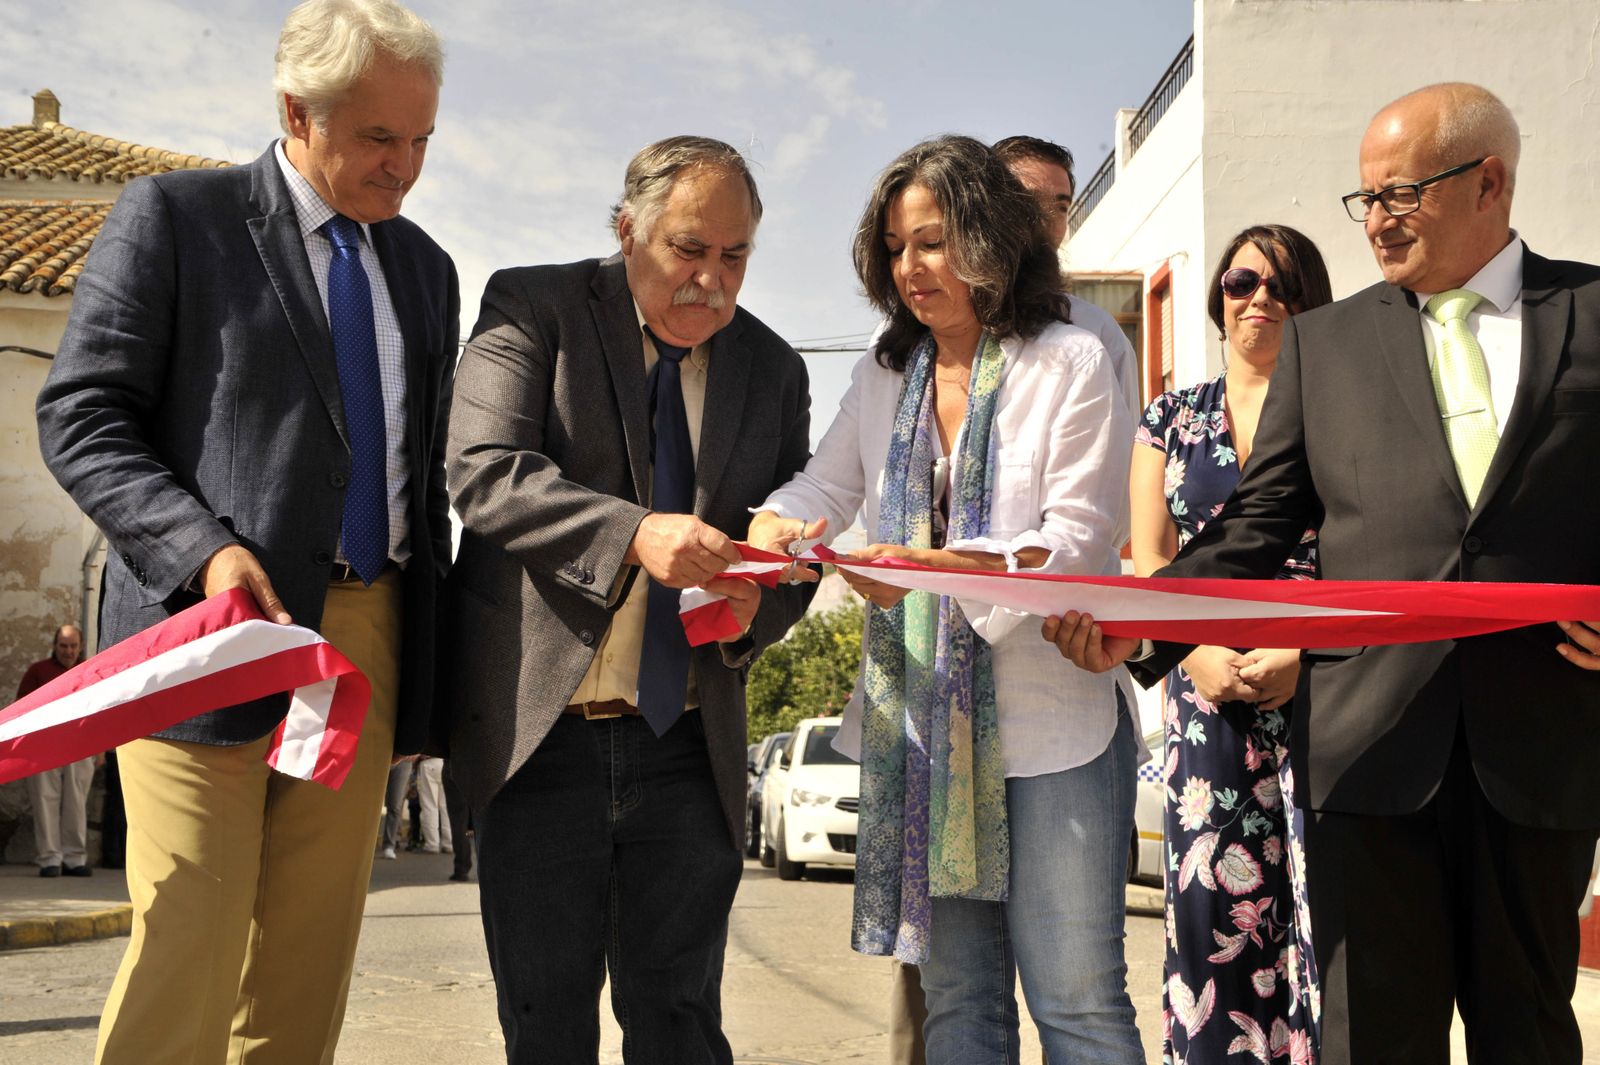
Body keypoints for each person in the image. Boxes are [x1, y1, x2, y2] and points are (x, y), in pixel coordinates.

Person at [1047, 82, 1600, 1065]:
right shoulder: (1326, 346)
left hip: (1541, 748)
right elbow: (1254, 526)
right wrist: (1145, 621)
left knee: (1531, 1036)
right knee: (1369, 1043)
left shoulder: (1593, 314)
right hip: (1369, 755)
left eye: (1399, 195)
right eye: (1365, 200)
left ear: (1489, 183)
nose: (1375, 223)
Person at [33, 2, 457, 1061]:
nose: (402, 168)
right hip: (204, 634)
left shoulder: (426, 270)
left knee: (306, 961)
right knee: (193, 935)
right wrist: (200, 549)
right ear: (295, 112)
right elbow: (81, 415)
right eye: (376, 138)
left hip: (361, 643)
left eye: (421, 141)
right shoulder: (177, 219)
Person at [750, 135, 1141, 1065]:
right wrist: (773, 524)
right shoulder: (886, 371)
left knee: (1076, 997)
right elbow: (821, 489)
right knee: (961, 1003)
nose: (910, 268)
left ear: (991, 238)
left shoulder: (1075, 355)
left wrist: (925, 566)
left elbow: (1077, 535)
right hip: (927, 724)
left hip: (1056, 725)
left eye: (932, 242)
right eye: (895, 247)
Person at [443, 135, 813, 1063]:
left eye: (735, 257)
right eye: (689, 249)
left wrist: (757, 602)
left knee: (682, 1023)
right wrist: (634, 534)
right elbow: (483, 472)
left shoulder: (773, 370)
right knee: (545, 1024)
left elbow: (788, 534)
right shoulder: (534, 306)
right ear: (626, 232)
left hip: (686, 744)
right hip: (542, 739)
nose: (712, 280)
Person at [1132, 225, 1331, 1063]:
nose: (1258, 298)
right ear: (1217, 296)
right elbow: (1147, 557)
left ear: (1312, 304)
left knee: (1327, 925)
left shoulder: (1344, 409)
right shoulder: (1170, 416)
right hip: (1204, 697)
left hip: (1329, 689)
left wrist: (1307, 654)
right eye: (1241, 280)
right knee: (1215, 925)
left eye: (1281, 285)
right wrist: (1194, 650)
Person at [993, 134, 1139, 420]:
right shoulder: (935, 326)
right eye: (1029, 201)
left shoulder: (1097, 334)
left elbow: (1126, 454)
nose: (1046, 220)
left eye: (1060, 207)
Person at [17, 624, 94, 878]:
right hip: (42, 744)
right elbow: (21, 709)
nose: (68, 651)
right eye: (63, 645)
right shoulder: (37, 672)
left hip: (80, 744)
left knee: (76, 801)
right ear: (54, 646)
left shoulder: (90, 671)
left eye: (73, 645)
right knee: (44, 799)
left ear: (80, 646)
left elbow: (98, 712)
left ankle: (74, 858)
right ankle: (50, 858)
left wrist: (100, 749)